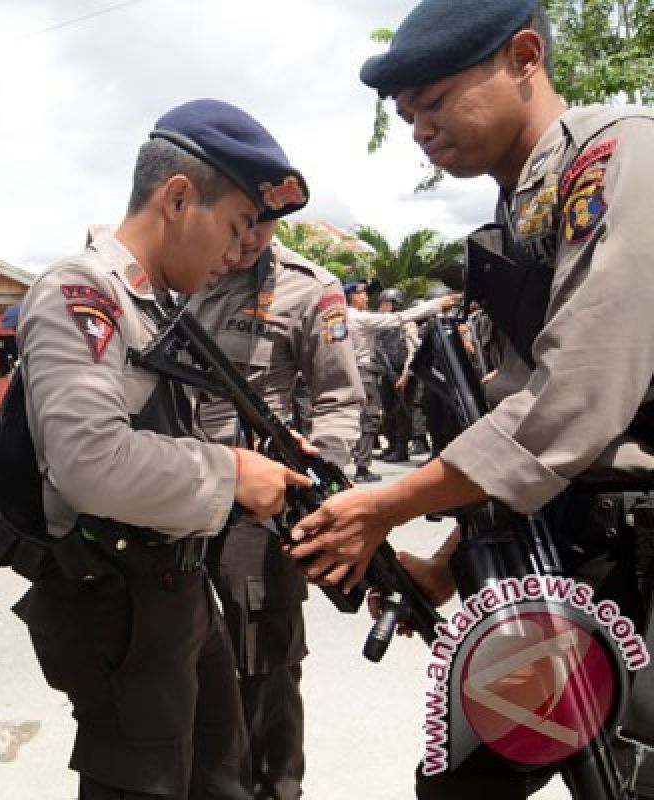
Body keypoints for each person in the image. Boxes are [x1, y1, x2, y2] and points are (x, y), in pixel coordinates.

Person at [291, 1, 654, 796]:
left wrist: (389, 504)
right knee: (459, 783)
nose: (420, 127)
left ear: (525, 56)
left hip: (638, 552)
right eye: (407, 112)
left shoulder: (617, 155)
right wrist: (448, 568)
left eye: (437, 99)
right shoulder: (520, 205)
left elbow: (574, 402)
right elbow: (515, 426)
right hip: (571, 546)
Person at [13, 97, 314, 800]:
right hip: (121, 604)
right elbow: (90, 460)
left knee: (221, 777)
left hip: (176, 591)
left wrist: (258, 451)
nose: (240, 252)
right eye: (237, 226)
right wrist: (233, 472)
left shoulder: (152, 305)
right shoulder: (82, 292)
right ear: (179, 198)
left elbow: (164, 428)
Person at [190, 160, 362, 799]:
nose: (253, 236)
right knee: (182, 667)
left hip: (262, 514)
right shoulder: (182, 272)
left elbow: (341, 400)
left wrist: (321, 474)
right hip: (177, 494)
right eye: (245, 219)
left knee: (265, 674)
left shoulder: (310, 288)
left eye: (268, 223)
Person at [345, 278, 456, 482]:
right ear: (352, 296)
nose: (366, 297)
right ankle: (362, 467)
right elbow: (398, 318)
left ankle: (385, 452)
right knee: (370, 418)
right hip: (365, 373)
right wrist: (434, 305)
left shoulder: (339, 317)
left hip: (357, 373)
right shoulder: (359, 318)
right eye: (362, 294)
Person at [373, 287, 415, 463]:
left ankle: (401, 448)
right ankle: (391, 445)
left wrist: (405, 374)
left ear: (395, 304)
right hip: (385, 373)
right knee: (388, 412)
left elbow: (412, 351)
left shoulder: (406, 322)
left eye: (385, 303)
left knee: (401, 412)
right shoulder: (381, 324)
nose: (382, 306)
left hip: (401, 373)